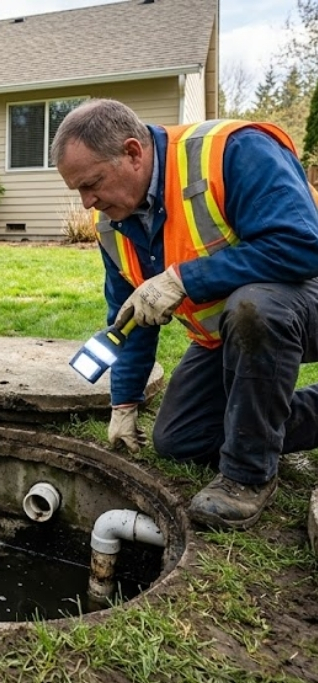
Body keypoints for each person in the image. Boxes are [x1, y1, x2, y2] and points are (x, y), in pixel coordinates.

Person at [51, 98, 318, 531]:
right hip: (227, 333)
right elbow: (130, 318)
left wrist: (183, 280)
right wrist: (124, 402)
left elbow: (302, 245)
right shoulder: (113, 223)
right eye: (78, 190)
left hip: (300, 299)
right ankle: (262, 427)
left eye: (92, 183)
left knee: (255, 306)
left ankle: (247, 476)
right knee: (179, 439)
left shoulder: (235, 151)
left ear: (133, 153)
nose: (87, 203)